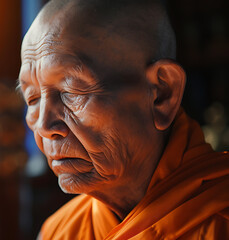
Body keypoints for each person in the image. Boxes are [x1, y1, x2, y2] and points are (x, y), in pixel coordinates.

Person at [17, 0, 229, 239]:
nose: (44, 127)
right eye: (33, 98)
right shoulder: (58, 232)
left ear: (162, 93)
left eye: (71, 92)